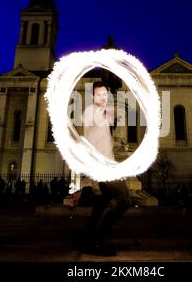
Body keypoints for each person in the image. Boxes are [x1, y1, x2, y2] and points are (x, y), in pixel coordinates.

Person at [78, 81, 131, 256]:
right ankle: (95, 241)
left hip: (106, 165)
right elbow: (103, 114)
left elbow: (116, 114)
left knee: (102, 202)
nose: (102, 97)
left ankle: (86, 238)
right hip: (103, 168)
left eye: (105, 94)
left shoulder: (105, 114)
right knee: (124, 201)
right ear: (93, 96)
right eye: (99, 94)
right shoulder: (90, 113)